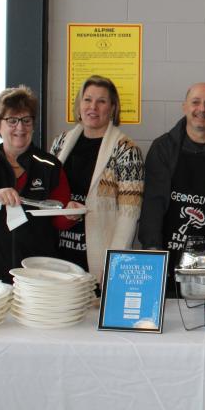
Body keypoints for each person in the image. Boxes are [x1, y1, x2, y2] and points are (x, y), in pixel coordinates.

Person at [0, 86, 78, 283]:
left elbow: (58, 220)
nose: (20, 128)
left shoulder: (50, 166)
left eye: (26, 120)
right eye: (12, 120)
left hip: (38, 273)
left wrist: (71, 214)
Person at [138, 83, 205, 292]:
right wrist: (152, 248)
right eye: (195, 102)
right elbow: (153, 203)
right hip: (170, 253)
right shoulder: (163, 148)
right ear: (184, 107)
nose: (202, 109)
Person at [50, 76, 144, 286]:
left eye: (101, 101)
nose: (93, 107)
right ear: (79, 104)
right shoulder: (60, 142)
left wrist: (114, 263)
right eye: (87, 99)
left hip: (97, 256)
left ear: (112, 108)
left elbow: (129, 214)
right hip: (58, 252)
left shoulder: (127, 150)